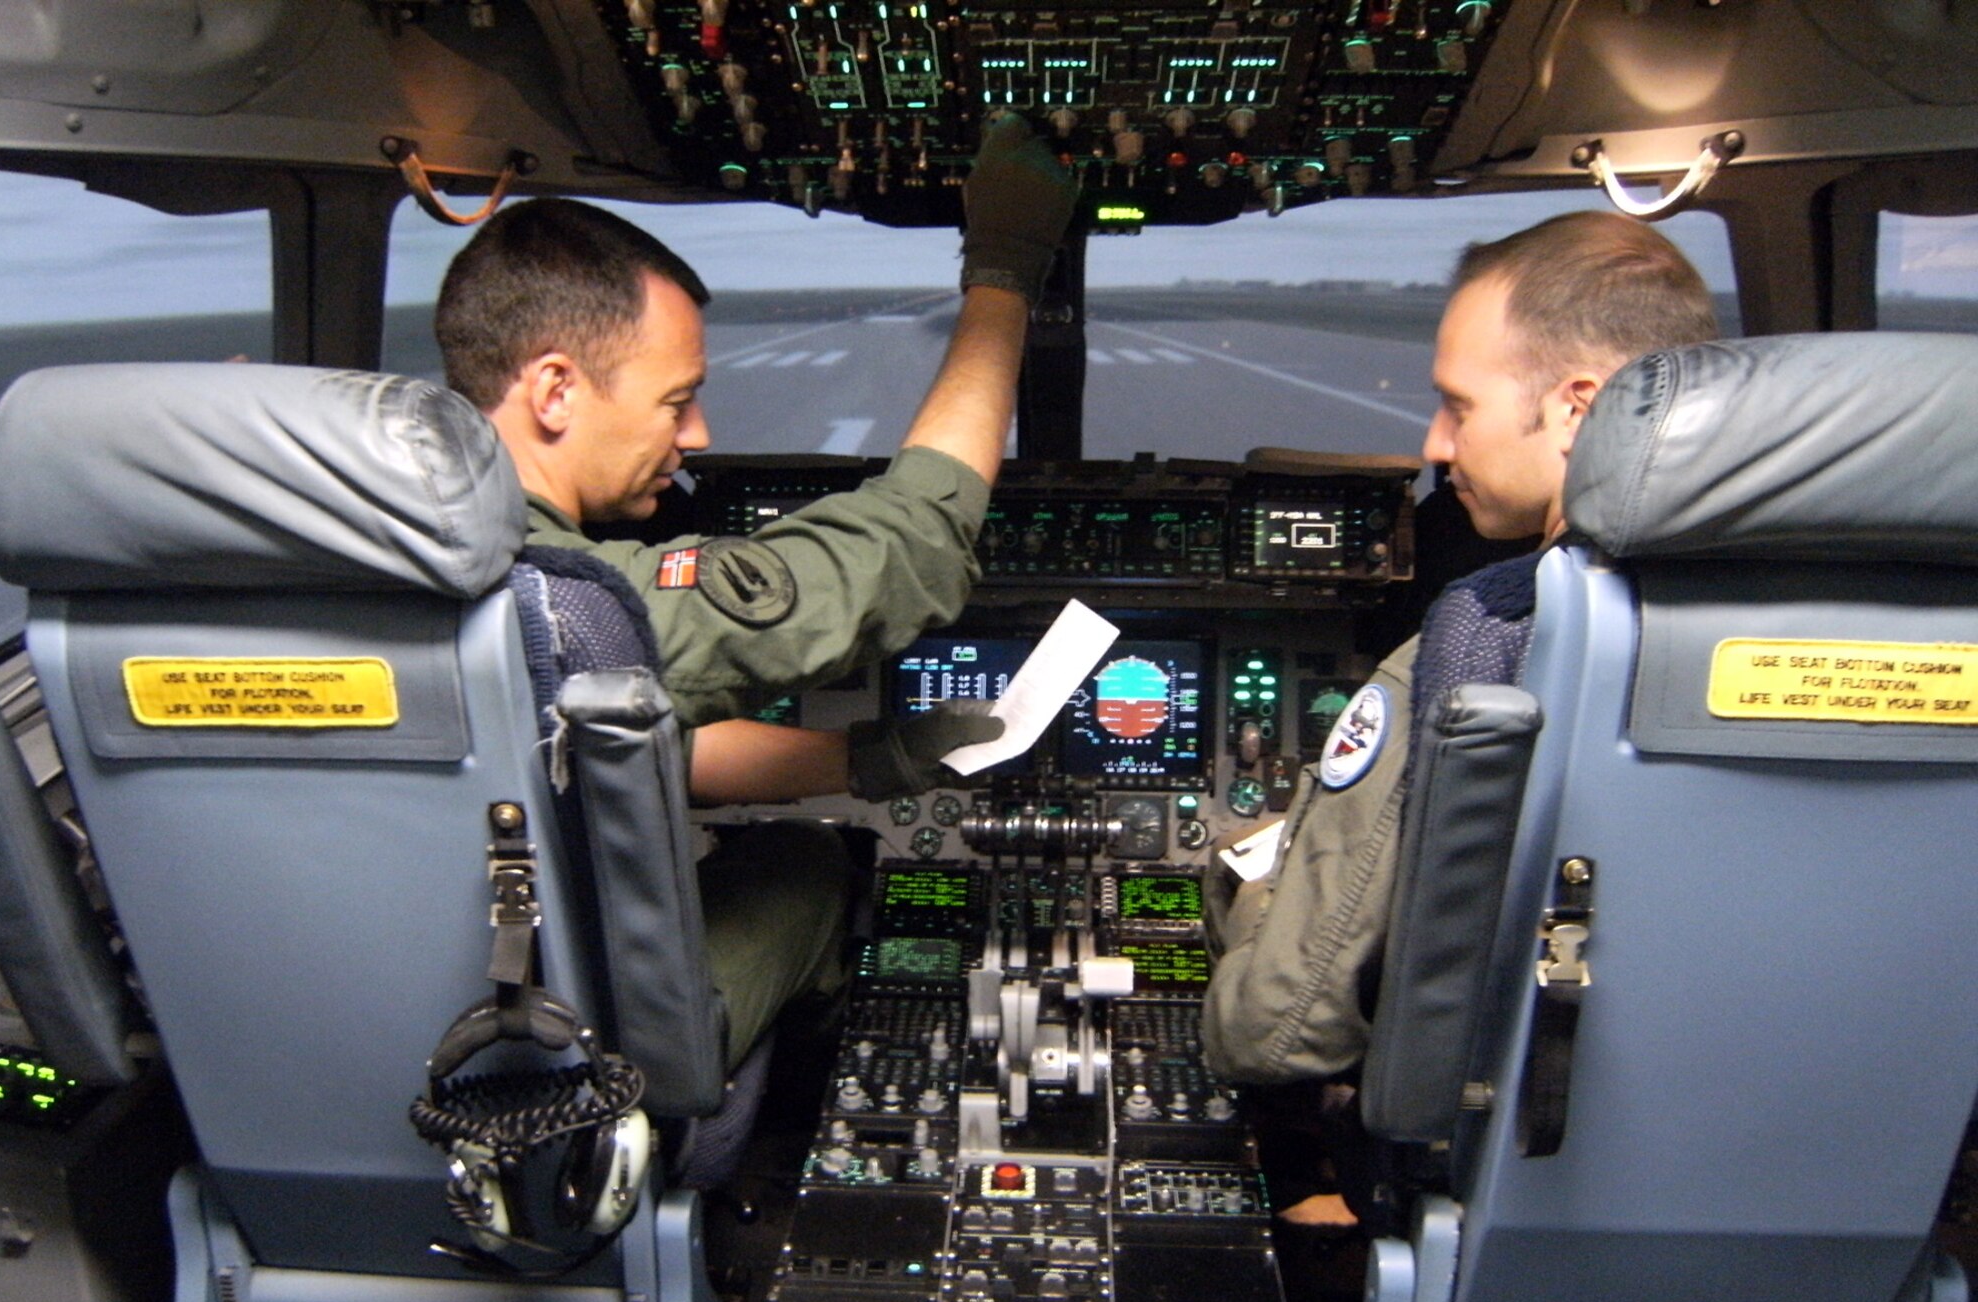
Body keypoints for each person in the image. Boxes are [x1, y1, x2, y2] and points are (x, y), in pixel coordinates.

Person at [434, 114, 1077, 1078]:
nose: (696, 435)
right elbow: (913, 544)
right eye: (673, 398)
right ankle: (760, 1139)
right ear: (556, 391)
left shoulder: (361, 559)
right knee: (810, 863)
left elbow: (624, 747)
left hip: (365, 1018)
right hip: (560, 1053)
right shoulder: (566, 606)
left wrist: (879, 757)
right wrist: (1005, 268)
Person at [1201, 210, 1719, 1228]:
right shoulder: (1933, 645)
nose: (1434, 445)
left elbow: (1273, 1033)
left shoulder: (1479, 645)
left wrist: (1253, 887)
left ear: (1576, 409)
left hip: (1485, 1192)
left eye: (1454, 405)